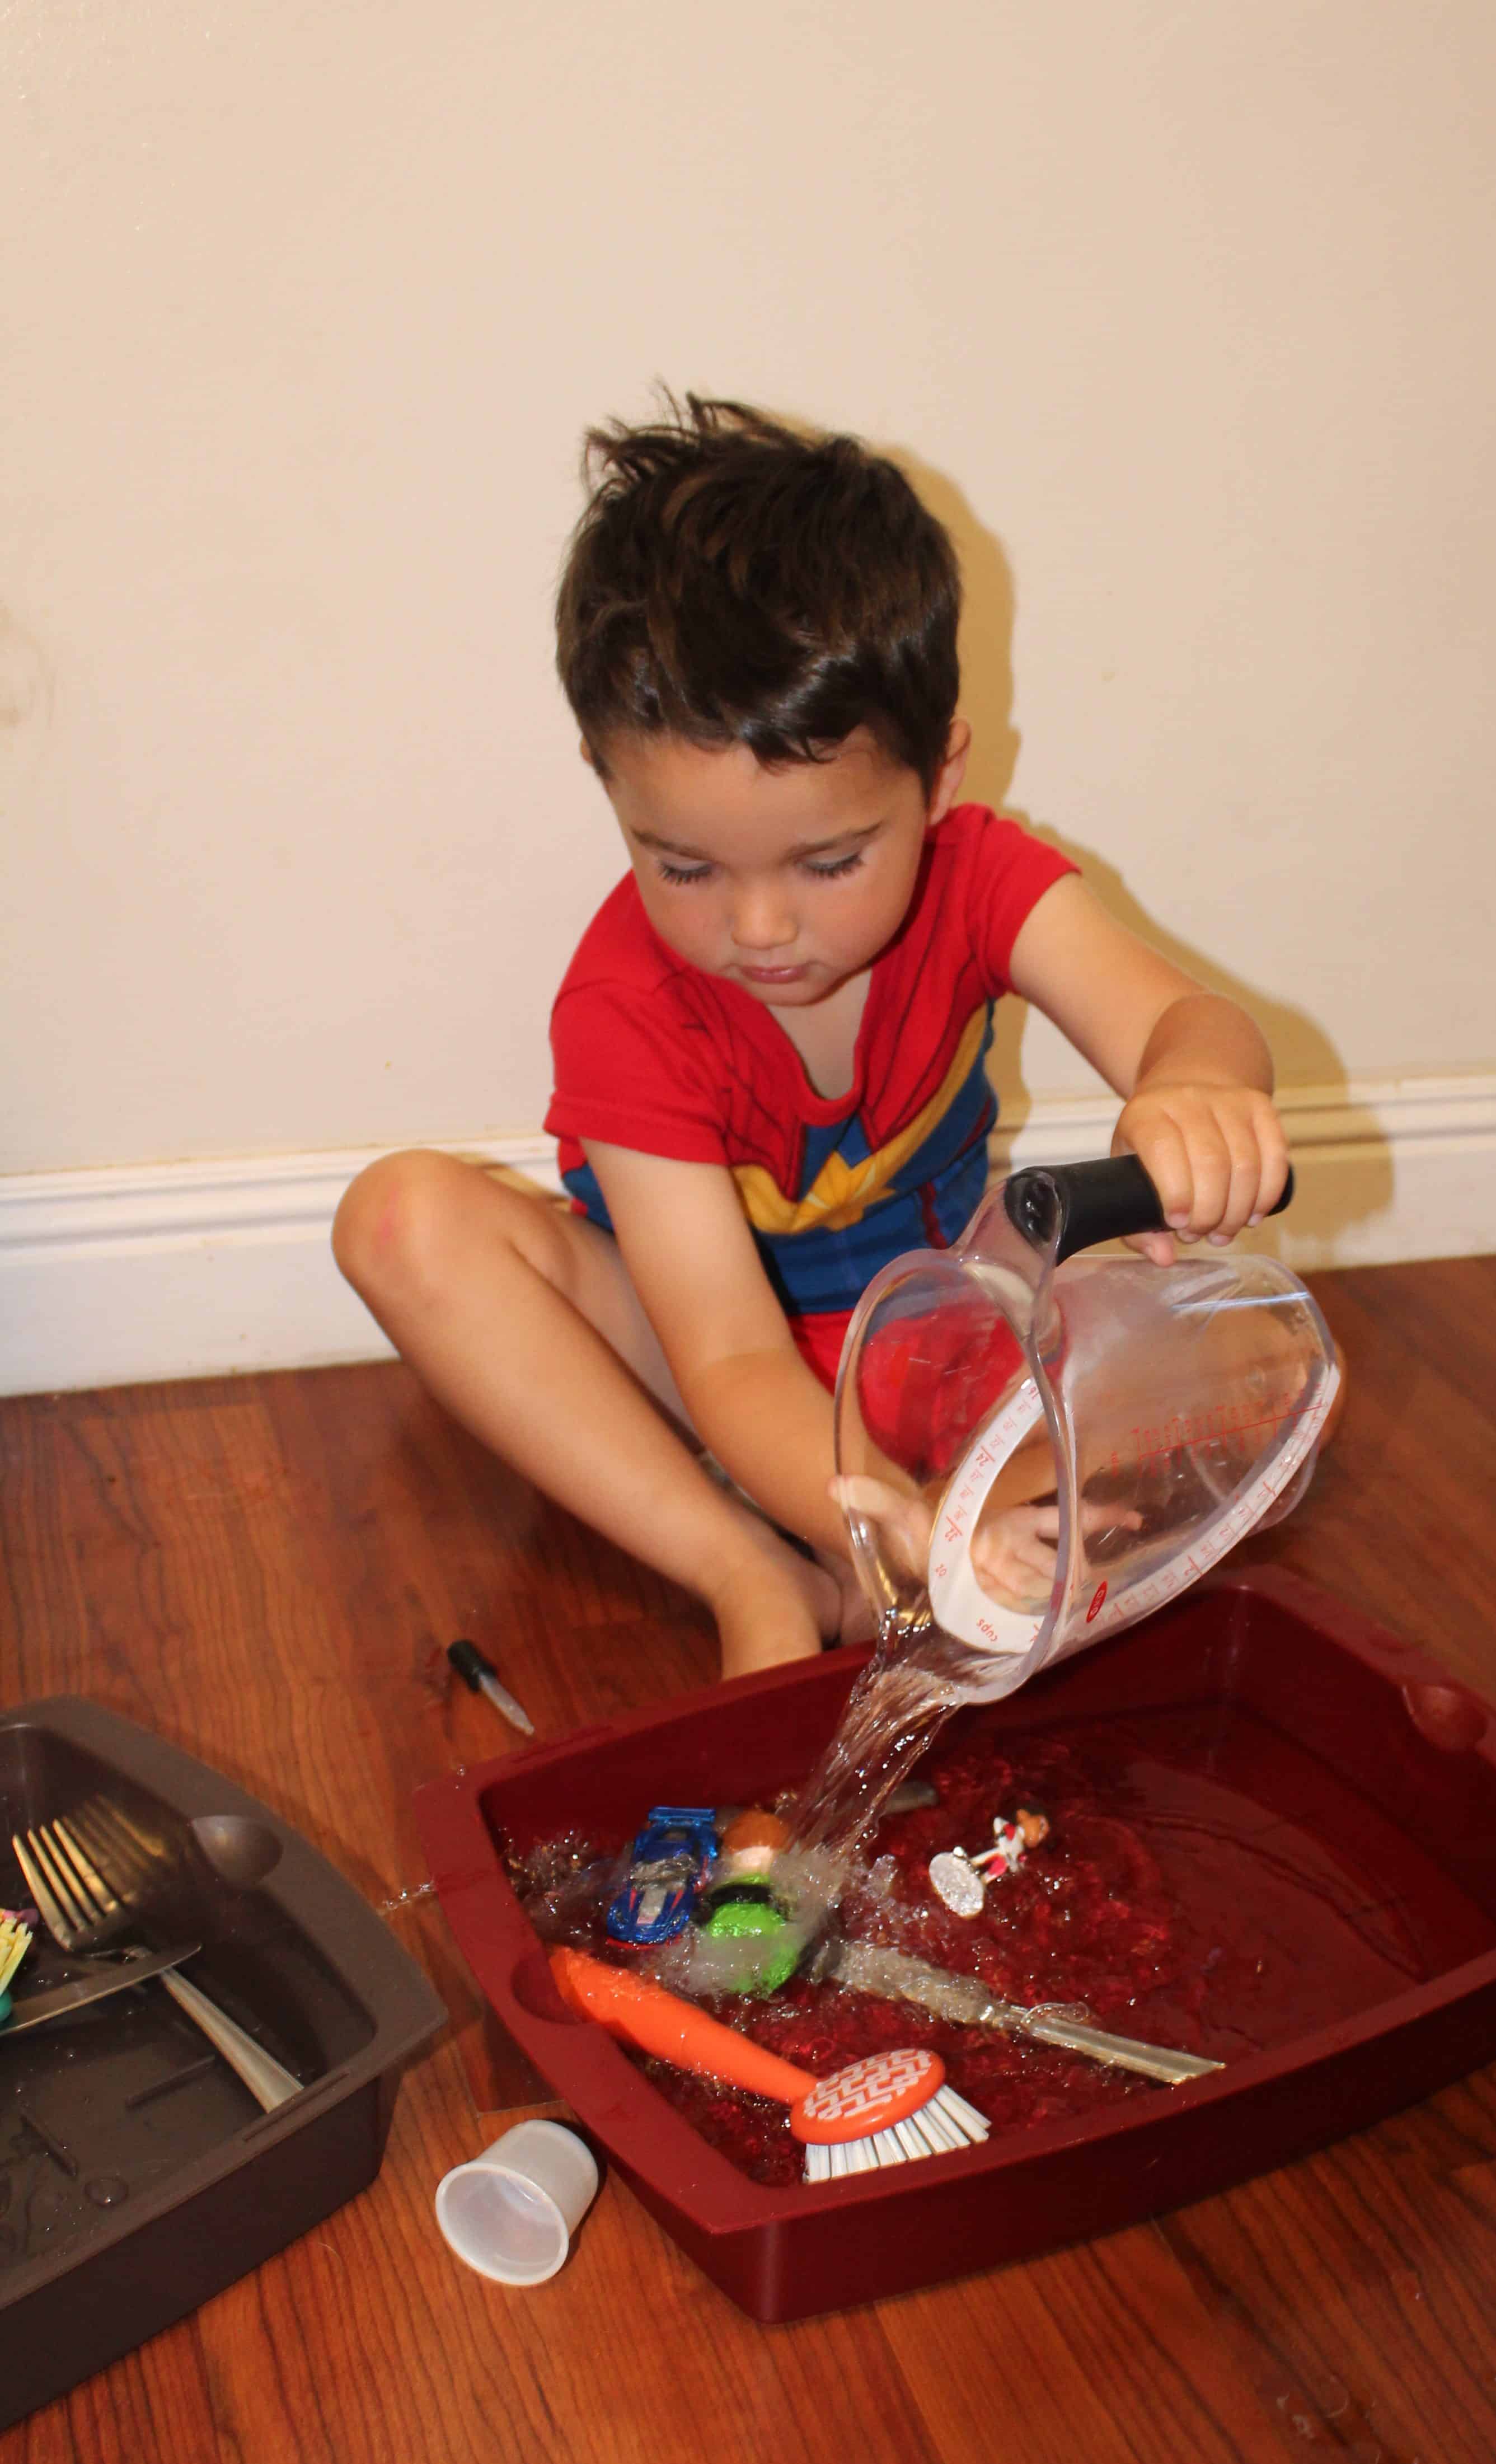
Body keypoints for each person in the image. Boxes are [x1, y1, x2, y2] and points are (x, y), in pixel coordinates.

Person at [334, 396, 1291, 1679]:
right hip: (706, 1378)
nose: (761, 925)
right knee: (402, 1221)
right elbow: (727, 1353)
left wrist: (1199, 1089)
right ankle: (756, 1567)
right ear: (608, 784)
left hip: (933, 1349)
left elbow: (1185, 1020)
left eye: (831, 860)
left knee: (1220, 1328)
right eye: (681, 866)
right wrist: (852, 1498)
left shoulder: (987, 880)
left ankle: (915, 1542)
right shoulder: (626, 1008)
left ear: (939, 781)